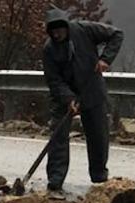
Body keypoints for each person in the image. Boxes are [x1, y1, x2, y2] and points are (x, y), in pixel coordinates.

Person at [42, 7, 124, 191]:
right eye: (53, 31)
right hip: (64, 95)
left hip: (92, 89)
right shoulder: (49, 49)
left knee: (98, 135)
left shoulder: (84, 30)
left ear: (66, 27)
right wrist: (68, 98)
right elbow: (53, 80)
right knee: (58, 136)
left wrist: (105, 59)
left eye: (59, 30)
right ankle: (55, 179)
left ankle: (99, 177)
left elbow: (116, 34)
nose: (57, 34)